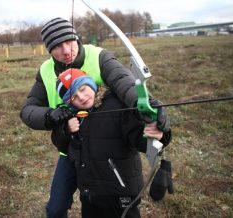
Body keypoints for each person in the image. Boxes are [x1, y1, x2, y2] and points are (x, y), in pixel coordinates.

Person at [19, 17, 170, 217]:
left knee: (107, 201)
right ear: (49, 50)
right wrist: (52, 115)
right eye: (56, 46)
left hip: (105, 148)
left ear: (77, 39)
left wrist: (145, 105)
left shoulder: (99, 56)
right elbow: (28, 110)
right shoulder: (46, 70)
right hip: (72, 150)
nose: (65, 50)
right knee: (55, 209)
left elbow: (124, 82)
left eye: (69, 42)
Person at [51, 68, 172, 218]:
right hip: (90, 196)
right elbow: (61, 144)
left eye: (82, 89)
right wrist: (66, 129)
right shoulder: (73, 116)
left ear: (91, 83)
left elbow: (141, 140)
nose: (81, 97)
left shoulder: (117, 104)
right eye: (74, 97)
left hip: (121, 193)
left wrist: (159, 134)